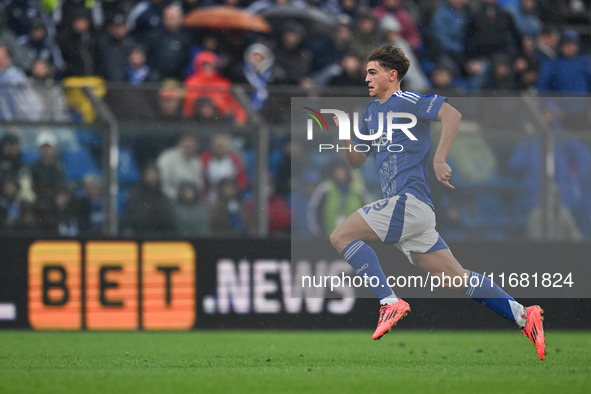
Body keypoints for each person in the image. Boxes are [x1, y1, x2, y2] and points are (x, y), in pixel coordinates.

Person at [328, 44, 545, 360]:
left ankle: (389, 302)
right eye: (365, 73)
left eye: (372, 72)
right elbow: (358, 161)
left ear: (393, 74)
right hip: (412, 212)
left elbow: (451, 114)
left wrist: (439, 159)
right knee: (457, 278)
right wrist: (346, 137)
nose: (366, 78)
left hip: (408, 203)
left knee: (340, 235)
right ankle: (524, 316)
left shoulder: (406, 101)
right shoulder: (372, 112)